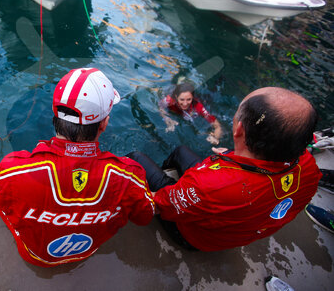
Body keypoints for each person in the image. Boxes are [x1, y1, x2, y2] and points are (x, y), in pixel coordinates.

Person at [0, 68, 155, 267]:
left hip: (35, 256)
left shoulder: (15, 169)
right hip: (88, 251)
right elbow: (145, 216)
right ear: (104, 124)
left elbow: (0, 196)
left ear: (55, 116)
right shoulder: (129, 176)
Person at [130, 87, 322, 251]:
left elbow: (159, 206)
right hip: (236, 229)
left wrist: (182, 194)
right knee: (181, 151)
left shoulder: (210, 185)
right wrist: (234, 154)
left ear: (239, 130)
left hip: (193, 237)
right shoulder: (309, 168)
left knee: (136, 158)